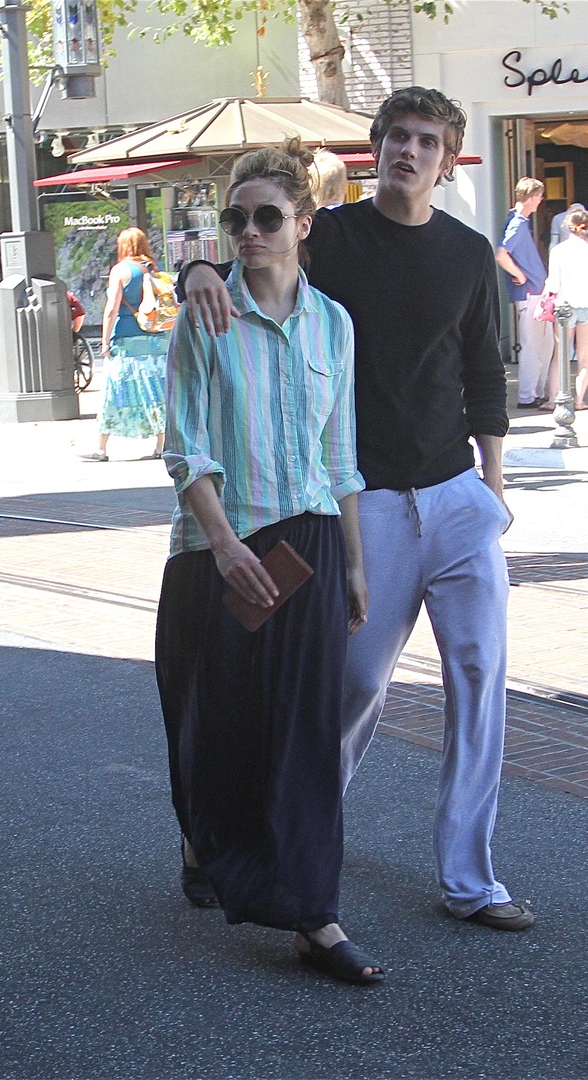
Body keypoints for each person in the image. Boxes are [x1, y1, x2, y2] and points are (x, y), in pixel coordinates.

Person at [178, 86, 535, 933]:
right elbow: (248, 252)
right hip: (365, 499)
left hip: (458, 497)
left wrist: (493, 487)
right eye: (397, 136)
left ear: (446, 161)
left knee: (480, 677)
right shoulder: (327, 235)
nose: (409, 151)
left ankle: (470, 880)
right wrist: (194, 269)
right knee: (351, 687)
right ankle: (286, 844)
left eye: (427, 141)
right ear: (376, 149)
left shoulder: (468, 252)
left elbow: (484, 373)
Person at [155, 138, 384, 985]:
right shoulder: (204, 313)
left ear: (303, 223)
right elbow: (185, 449)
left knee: (305, 734)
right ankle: (202, 839)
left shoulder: (334, 324)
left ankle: (314, 917)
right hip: (218, 546)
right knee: (216, 725)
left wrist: (353, 562)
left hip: (309, 543)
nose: (249, 232)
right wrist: (221, 546)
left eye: (267, 217)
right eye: (236, 219)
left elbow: (340, 453)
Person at [79, 227, 167, 462]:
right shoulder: (154, 267)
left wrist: (105, 341)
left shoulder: (120, 270)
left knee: (113, 391)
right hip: (156, 338)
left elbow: (111, 309)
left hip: (127, 339)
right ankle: (161, 446)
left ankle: (101, 449)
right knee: (155, 390)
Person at [496, 177, 555, 410]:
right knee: (534, 346)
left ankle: (535, 391)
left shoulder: (518, 221)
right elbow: (501, 254)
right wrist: (520, 275)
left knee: (543, 345)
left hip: (534, 292)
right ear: (531, 198)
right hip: (530, 293)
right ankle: (528, 395)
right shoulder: (518, 223)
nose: (540, 201)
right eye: (539, 197)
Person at [544, 209, 588, 410]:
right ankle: (579, 401)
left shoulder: (559, 251)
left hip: (564, 307)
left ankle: (553, 399)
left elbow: (554, 284)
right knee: (585, 358)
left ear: (566, 225)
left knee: (559, 356)